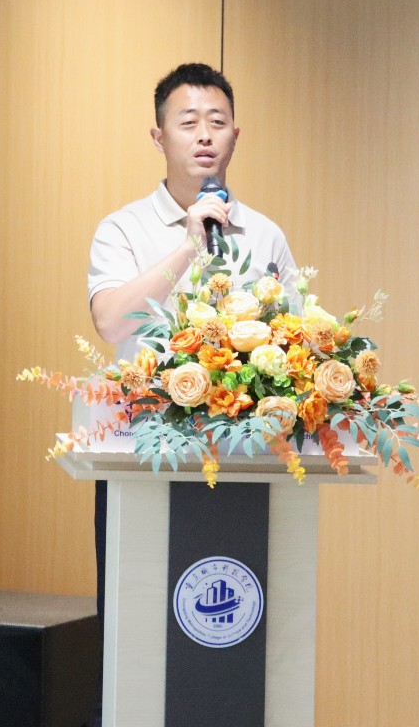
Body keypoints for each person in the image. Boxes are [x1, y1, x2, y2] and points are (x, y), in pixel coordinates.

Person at [84, 62, 296, 724]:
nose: (204, 135)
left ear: (236, 136)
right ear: (159, 137)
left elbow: (295, 347)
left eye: (217, 122)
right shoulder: (121, 229)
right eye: (188, 122)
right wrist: (187, 244)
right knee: (140, 639)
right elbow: (110, 322)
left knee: (237, 641)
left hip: (246, 465)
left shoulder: (266, 235)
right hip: (142, 460)